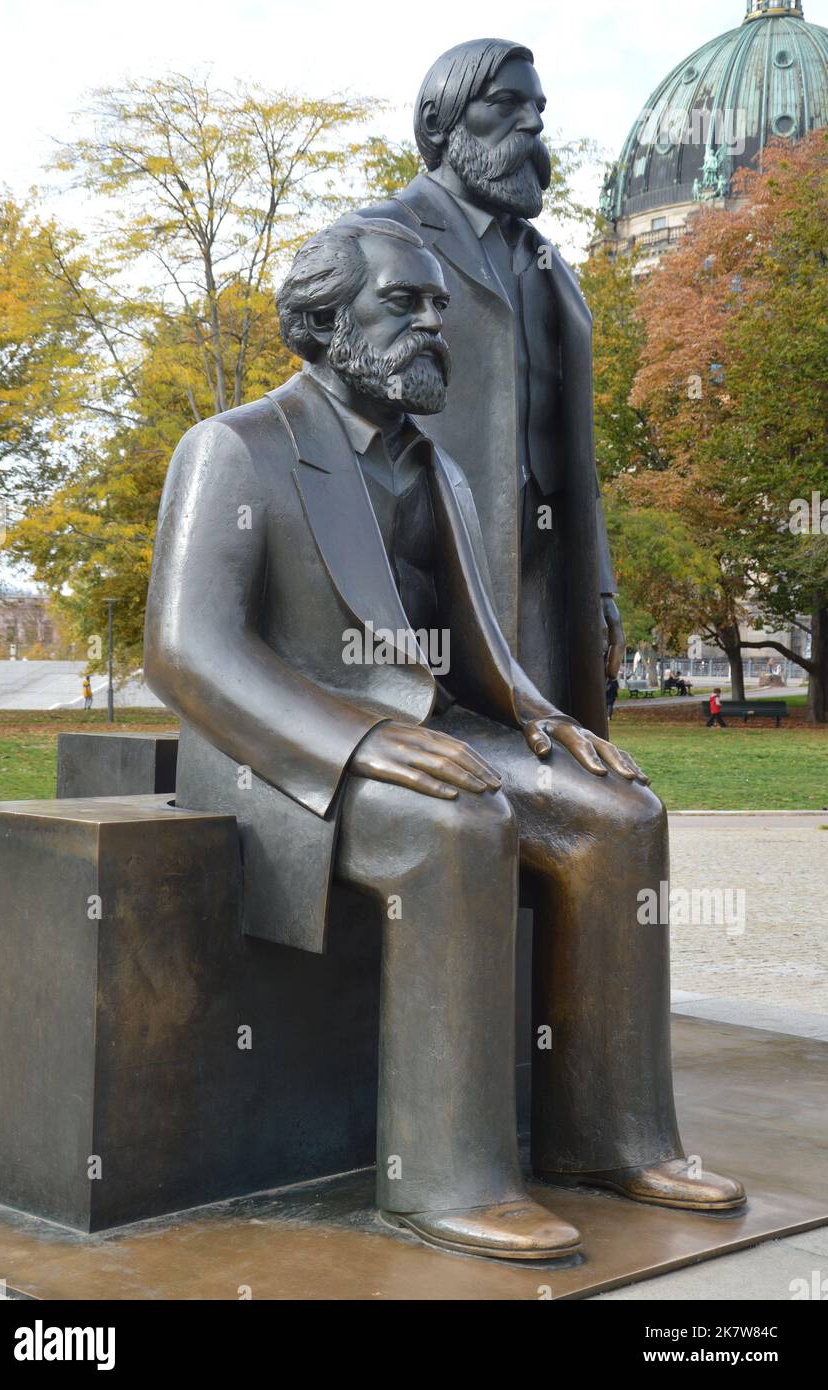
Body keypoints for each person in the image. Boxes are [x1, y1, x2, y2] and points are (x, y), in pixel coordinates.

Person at [144, 216, 745, 1265]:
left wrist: (541, 719)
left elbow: (476, 658)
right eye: (405, 304)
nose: (434, 324)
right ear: (328, 321)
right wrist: (361, 739)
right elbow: (188, 650)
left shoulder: (440, 469)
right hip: (276, 752)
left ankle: (611, 1136)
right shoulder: (232, 448)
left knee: (619, 815)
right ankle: (446, 1177)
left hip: (427, 731)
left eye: (440, 307)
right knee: (457, 825)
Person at [357, 38, 624, 738]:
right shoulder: (377, 235)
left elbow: (577, 451)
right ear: (439, 125)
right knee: (455, 768)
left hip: (544, 566)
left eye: (538, 108)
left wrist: (598, 583)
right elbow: (338, 401)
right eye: (506, 105)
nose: (533, 125)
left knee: (553, 760)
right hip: (430, 557)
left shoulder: (546, 262)